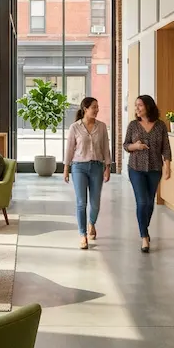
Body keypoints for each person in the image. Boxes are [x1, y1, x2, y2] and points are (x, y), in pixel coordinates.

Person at [123, 95, 172, 253]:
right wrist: (135, 146)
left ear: (148, 107)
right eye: (136, 105)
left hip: (154, 169)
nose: (137, 108)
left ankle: (145, 228)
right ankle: (144, 236)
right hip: (136, 168)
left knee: (150, 203)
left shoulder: (160, 126)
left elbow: (166, 148)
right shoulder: (133, 125)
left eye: (140, 105)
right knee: (142, 202)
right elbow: (125, 145)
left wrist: (168, 167)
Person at [63, 97, 111, 250]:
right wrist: (66, 169)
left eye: (97, 107)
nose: (97, 110)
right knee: (81, 202)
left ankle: (92, 223)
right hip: (79, 167)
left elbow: (105, 148)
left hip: (97, 166)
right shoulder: (75, 127)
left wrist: (108, 167)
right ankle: (83, 235)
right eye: (94, 107)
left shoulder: (102, 127)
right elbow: (70, 149)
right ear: (85, 108)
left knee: (95, 203)